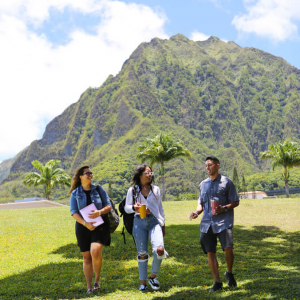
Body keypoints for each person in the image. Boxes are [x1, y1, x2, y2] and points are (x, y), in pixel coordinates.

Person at [190, 156, 239, 292]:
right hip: (207, 223)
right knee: (210, 252)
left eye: (210, 165)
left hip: (224, 222)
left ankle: (229, 272)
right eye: (206, 165)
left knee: (228, 247)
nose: (208, 168)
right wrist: (196, 213)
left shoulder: (227, 182)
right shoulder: (203, 184)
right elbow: (201, 203)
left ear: (217, 166)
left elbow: (235, 201)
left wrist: (224, 208)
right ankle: (217, 282)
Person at [69, 166, 111, 294]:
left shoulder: (98, 189)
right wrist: (85, 224)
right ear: (81, 176)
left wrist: (99, 212)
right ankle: (89, 287)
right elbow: (73, 212)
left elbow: (108, 206)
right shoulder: (75, 193)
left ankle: (97, 280)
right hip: (83, 227)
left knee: (95, 251)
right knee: (87, 257)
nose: (90, 175)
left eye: (91, 173)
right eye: (87, 173)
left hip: (100, 225)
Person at [125, 164, 167, 292]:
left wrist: (163, 224)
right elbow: (127, 208)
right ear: (140, 175)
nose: (150, 175)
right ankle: (143, 283)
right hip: (139, 222)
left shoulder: (156, 189)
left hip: (154, 221)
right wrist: (134, 208)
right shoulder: (133, 190)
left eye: (151, 172)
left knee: (159, 249)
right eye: (147, 173)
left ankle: (153, 277)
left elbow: (160, 208)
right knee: (142, 254)